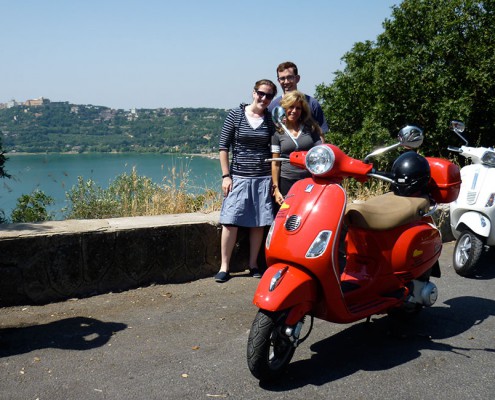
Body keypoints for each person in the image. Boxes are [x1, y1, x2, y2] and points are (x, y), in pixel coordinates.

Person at [215, 79, 278, 283]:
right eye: (261, 93)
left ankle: (253, 264)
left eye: (269, 96)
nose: (264, 98)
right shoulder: (236, 115)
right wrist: (226, 176)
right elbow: (223, 147)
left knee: (258, 224)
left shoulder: (270, 120)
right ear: (253, 92)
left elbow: (274, 150)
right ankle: (224, 267)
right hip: (239, 177)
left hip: (262, 178)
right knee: (230, 222)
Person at [271, 90, 322, 206]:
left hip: (309, 181)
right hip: (286, 181)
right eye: (291, 107)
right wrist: (276, 189)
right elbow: (275, 163)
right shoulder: (278, 132)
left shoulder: (310, 128)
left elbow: (321, 151)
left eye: (298, 108)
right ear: (284, 108)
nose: (294, 111)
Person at [268, 61, 328, 140]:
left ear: (297, 78)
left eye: (290, 77)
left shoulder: (312, 103)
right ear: (278, 81)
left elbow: (321, 134)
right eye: (282, 78)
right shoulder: (273, 106)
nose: (286, 81)